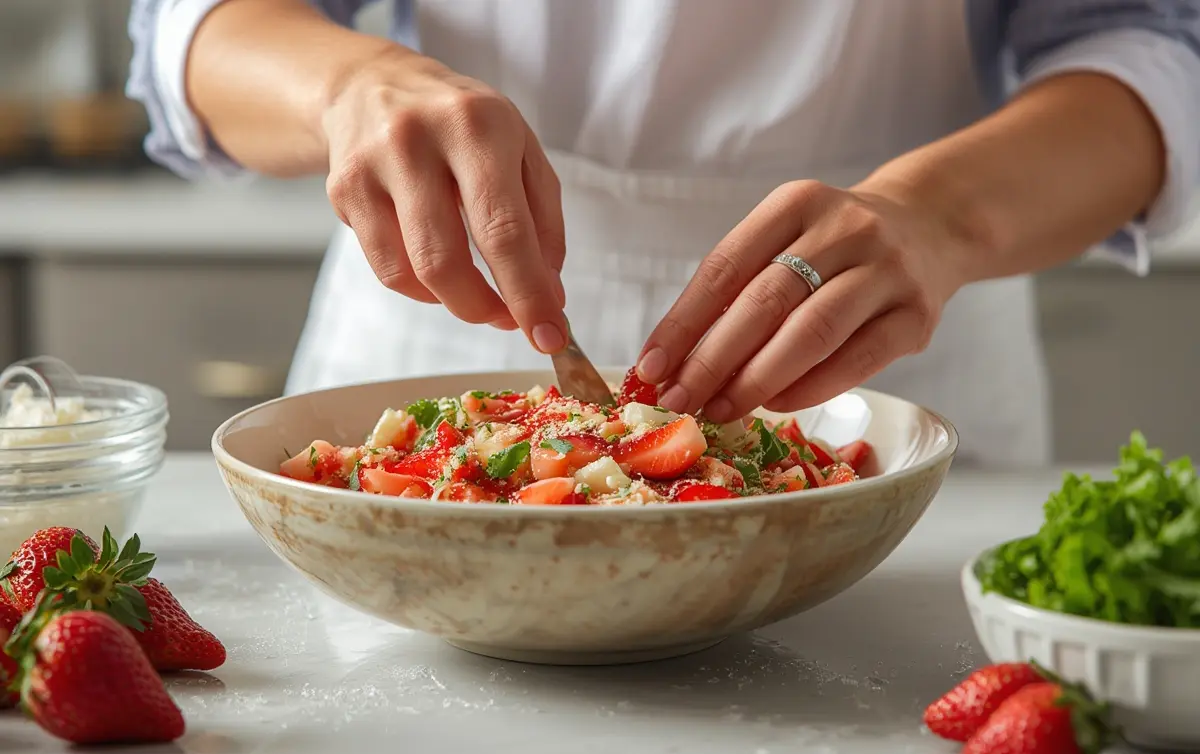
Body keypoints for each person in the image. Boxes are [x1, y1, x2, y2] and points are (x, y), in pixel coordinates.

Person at [129, 0, 1200, 466]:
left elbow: (1154, 47)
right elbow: (194, 24)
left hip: (891, 353)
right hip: (438, 328)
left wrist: (942, 216)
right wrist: (353, 87)